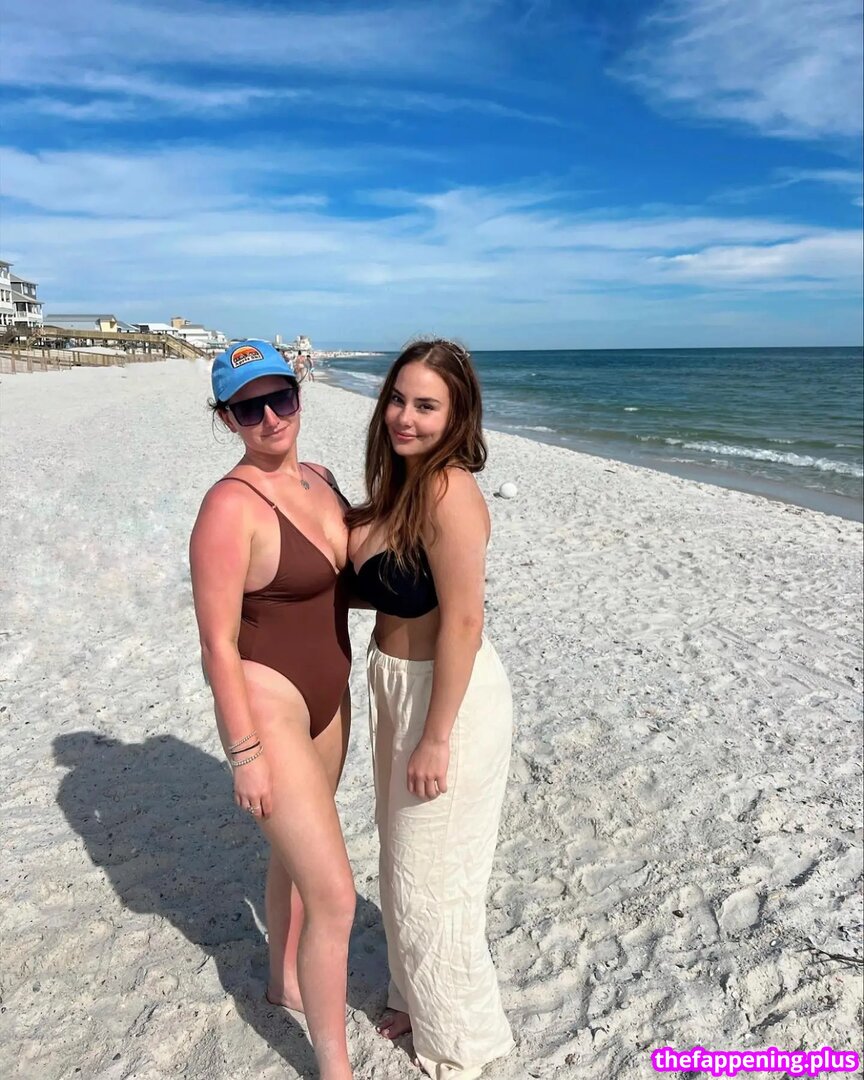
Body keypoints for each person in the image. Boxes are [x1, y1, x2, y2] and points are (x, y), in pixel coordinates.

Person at [346, 340, 514, 1079]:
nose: (404, 417)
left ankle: (462, 1043)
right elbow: (382, 586)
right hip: (395, 686)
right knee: (402, 863)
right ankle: (416, 999)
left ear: (457, 417)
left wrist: (437, 736)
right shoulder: (400, 487)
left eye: (425, 405)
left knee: (433, 878)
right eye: (397, 399)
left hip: (447, 699)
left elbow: (466, 621)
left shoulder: (449, 490)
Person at [189, 339, 355, 1080]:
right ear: (228, 419)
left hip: (331, 697)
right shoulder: (228, 507)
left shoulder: (323, 479)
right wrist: (244, 753)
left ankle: (283, 979)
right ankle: (335, 1069)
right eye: (248, 409)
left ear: (298, 393)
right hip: (272, 703)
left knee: (294, 857)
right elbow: (217, 646)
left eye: (278, 398)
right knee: (336, 897)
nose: (269, 418)